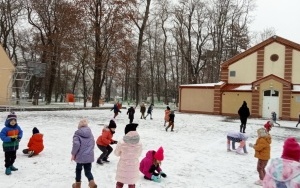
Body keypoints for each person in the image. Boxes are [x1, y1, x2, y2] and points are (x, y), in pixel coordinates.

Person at [114, 124, 142, 188]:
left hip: (123, 166)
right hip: (134, 166)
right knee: (131, 183)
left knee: (120, 181)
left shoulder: (121, 142)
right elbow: (139, 154)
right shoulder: (139, 143)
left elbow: (116, 153)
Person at [71, 119, 97, 188]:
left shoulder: (77, 133)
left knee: (78, 170)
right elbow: (93, 143)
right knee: (88, 171)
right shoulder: (90, 133)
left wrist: (73, 154)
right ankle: (92, 182)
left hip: (80, 156)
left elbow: (76, 144)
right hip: (89, 156)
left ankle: (77, 185)